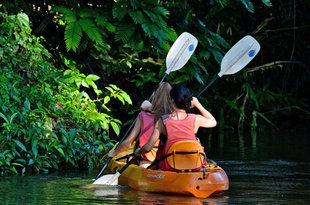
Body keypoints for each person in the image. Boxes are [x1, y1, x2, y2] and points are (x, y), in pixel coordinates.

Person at [134, 84, 217, 171]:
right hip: (194, 166)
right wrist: (198, 104)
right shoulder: (196, 119)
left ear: (172, 101)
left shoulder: (162, 121)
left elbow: (147, 148)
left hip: (170, 167)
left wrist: (138, 151)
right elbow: (213, 122)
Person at [108, 82, 174, 168]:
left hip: (147, 162)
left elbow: (128, 143)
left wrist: (114, 152)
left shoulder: (143, 115)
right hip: (169, 163)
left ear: (155, 96)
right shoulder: (175, 117)